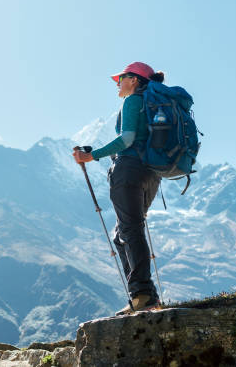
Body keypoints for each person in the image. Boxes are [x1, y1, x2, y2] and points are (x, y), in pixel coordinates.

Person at [72, 61, 165, 315]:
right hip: (151, 175)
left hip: (128, 171)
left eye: (120, 78)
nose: (117, 83)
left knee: (129, 229)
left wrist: (94, 155)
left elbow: (127, 139)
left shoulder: (133, 100)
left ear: (134, 79)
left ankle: (142, 294)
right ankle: (145, 295)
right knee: (123, 232)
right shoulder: (152, 105)